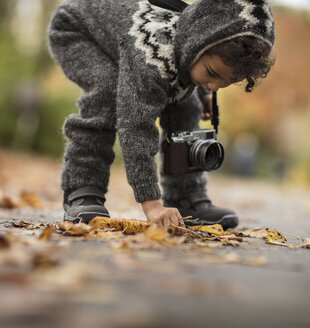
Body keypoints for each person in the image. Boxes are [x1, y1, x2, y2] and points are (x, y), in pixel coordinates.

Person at [48, 0, 275, 228]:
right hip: (77, 31)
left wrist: (204, 93)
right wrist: (152, 204)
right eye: (212, 73)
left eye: (228, 81)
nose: (215, 87)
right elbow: (136, 125)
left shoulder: (193, 53)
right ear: (197, 42)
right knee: (107, 94)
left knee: (188, 106)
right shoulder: (152, 52)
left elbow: (196, 88)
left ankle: (184, 196)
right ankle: (83, 188)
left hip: (122, 42)